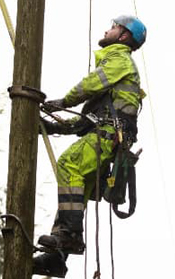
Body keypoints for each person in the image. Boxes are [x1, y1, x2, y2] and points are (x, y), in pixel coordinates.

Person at [31, 15, 147, 278]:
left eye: (113, 27)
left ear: (124, 36)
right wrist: (54, 126)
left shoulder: (119, 59)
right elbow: (89, 121)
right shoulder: (116, 73)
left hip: (108, 137)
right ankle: (57, 256)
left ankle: (70, 235)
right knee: (76, 191)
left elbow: (90, 84)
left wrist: (64, 102)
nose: (107, 30)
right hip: (106, 135)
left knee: (69, 164)